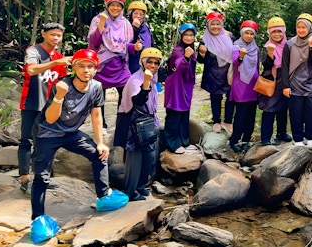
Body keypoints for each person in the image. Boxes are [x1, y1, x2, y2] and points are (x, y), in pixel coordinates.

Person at [31, 49, 123, 219]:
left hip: (71, 133)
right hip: (47, 133)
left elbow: (96, 115)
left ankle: (103, 196)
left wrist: (100, 142)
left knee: (99, 155)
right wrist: (59, 96)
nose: (86, 70)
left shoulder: (96, 87)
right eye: (81, 66)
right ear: (74, 67)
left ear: (96, 69)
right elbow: (50, 119)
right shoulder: (62, 85)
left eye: (90, 66)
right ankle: (38, 218)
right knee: (41, 177)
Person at [19, 23, 70, 194]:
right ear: (43, 34)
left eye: (59, 35)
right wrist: (56, 62)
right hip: (31, 102)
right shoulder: (33, 51)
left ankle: (42, 176)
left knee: (47, 141)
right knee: (27, 140)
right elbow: (31, 70)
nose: (56, 38)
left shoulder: (59, 57)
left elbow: (63, 82)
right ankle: (25, 179)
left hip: (50, 106)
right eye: (52, 34)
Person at [87, 0, 142, 130]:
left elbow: (125, 46)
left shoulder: (125, 24)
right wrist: (102, 24)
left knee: (127, 93)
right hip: (102, 64)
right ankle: (101, 125)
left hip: (120, 65)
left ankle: (122, 123)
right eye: (112, 5)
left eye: (119, 5)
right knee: (99, 97)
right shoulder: (98, 19)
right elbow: (94, 43)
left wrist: (134, 47)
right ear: (107, 5)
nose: (115, 8)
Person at [114, 48, 163, 201]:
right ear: (143, 62)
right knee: (134, 158)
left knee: (148, 156)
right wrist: (146, 83)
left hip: (146, 122)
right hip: (132, 123)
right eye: (150, 62)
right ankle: (130, 191)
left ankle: (141, 186)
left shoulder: (153, 79)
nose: (153, 65)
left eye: (156, 63)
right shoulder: (137, 79)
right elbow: (138, 101)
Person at [281, 13, 312, 147]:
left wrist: (311, 47)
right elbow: (284, 66)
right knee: (295, 112)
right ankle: (297, 138)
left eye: (304, 27)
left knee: (311, 111)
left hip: (311, 83)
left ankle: (309, 136)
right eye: (299, 27)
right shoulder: (289, 44)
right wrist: (285, 85)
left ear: (310, 28)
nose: (301, 30)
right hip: (294, 83)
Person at [197, 11, 235, 134]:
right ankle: (216, 121)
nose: (215, 27)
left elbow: (236, 50)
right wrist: (202, 53)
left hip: (228, 72)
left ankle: (228, 121)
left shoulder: (229, 36)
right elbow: (200, 60)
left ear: (221, 24)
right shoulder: (204, 40)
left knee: (231, 97)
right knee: (215, 98)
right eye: (212, 24)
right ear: (208, 25)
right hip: (213, 73)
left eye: (218, 24)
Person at [163, 23, 197, 154]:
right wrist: (186, 57)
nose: (189, 37)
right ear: (181, 36)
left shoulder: (191, 48)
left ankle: (184, 141)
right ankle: (173, 143)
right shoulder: (178, 50)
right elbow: (178, 67)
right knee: (174, 112)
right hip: (176, 85)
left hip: (187, 85)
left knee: (184, 112)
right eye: (186, 35)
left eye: (191, 35)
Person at [258, 16, 292, 145]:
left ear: (283, 32)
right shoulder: (267, 47)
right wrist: (271, 54)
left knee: (283, 108)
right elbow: (266, 65)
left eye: (279, 31)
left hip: (285, 80)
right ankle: (265, 137)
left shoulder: (288, 46)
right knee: (269, 109)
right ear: (269, 33)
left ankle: (281, 133)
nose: (277, 34)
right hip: (271, 80)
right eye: (274, 32)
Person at [228, 20, 260, 152]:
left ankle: (247, 139)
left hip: (253, 84)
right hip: (240, 84)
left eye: (251, 34)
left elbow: (257, 66)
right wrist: (240, 56)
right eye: (246, 33)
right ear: (242, 33)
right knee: (240, 114)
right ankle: (234, 140)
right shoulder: (236, 46)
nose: (249, 36)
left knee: (251, 114)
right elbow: (235, 64)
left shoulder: (256, 48)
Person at [127, 1, 154, 75]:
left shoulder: (146, 27)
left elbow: (150, 42)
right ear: (131, 14)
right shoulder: (126, 25)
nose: (138, 16)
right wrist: (134, 28)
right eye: (135, 13)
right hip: (131, 60)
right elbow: (127, 41)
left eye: (141, 14)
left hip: (145, 59)